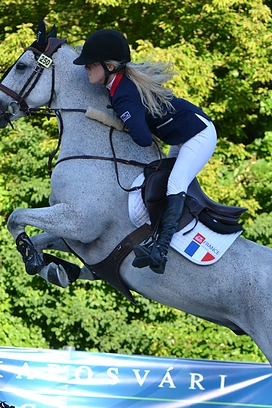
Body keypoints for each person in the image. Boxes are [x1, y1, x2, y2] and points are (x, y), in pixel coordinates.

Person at [73, 29, 217, 275]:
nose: (86, 67)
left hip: (198, 133)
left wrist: (122, 121)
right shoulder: (117, 85)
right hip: (180, 135)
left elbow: (141, 138)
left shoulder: (123, 94)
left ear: (109, 66)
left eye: (91, 64)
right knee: (159, 184)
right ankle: (155, 239)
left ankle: (160, 252)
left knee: (175, 183)